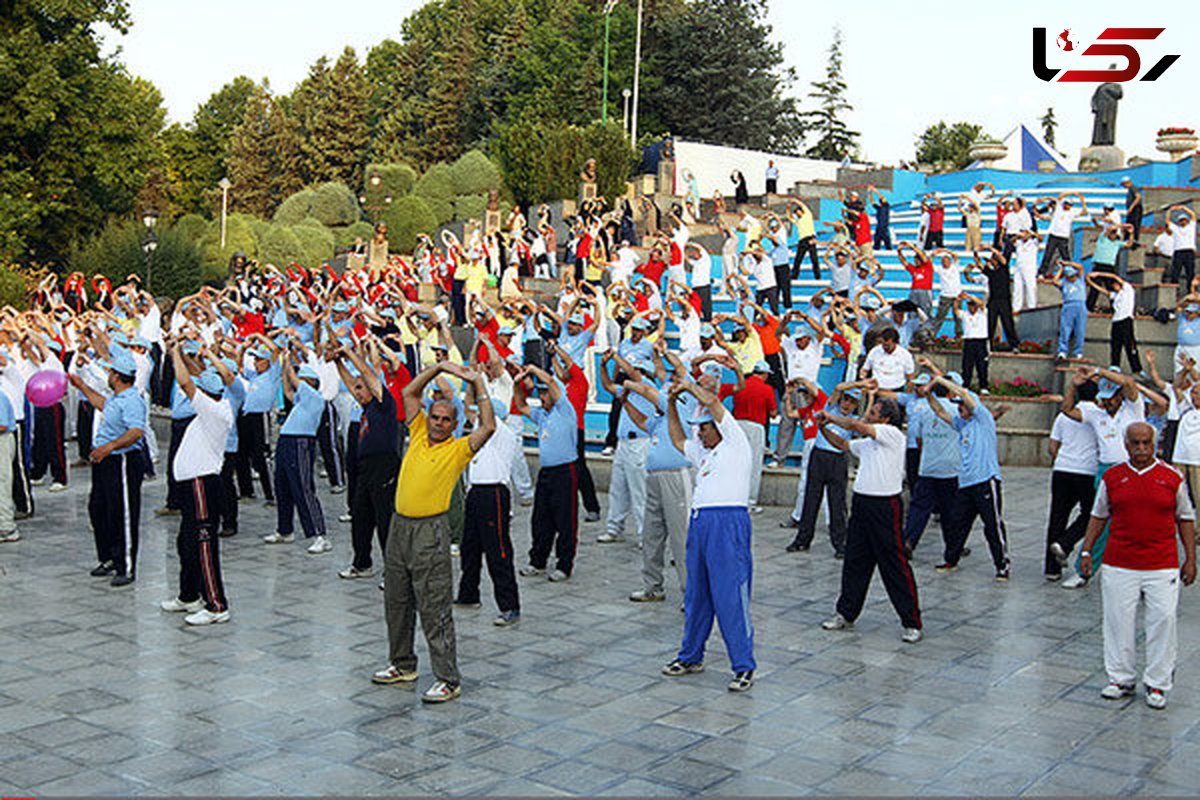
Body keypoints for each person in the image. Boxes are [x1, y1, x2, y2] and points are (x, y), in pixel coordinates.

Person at [372, 361, 495, 703]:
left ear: (454, 425)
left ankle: (447, 678)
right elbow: (409, 392)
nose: (439, 423)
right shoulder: (419, 434)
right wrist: (439, 367)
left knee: (434, 603)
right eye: (435, 417)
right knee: (396, 599)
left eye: (445, 420)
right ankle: (402, 663)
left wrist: (477, 383)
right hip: (399, 528)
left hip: (430, 531)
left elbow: (487, 426)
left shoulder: (457, 450)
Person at [1080, 422, 1195, 710]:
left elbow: (1185, 518)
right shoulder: (1113, 477)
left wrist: (1190, 559)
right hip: (1120, 563)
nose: (1141, 449)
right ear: (1126, 444)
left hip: (1162, 564)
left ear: (1155, 444)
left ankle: (1157, 682)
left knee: (1163, 621)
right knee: (1118, 621)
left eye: (1146, 443)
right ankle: (1120, 678)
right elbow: (1098, 515)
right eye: (1135, 443)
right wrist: (1085, 551)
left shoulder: (1172, 477)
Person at [660, 379, 756, 692]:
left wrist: (687, 387)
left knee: (730, 597)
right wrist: (672, 404)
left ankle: (743, 666)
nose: (698, 433)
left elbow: (714, 404)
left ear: (717, 426)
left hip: (728, 525)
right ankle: (691, 655)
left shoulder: (735, 442)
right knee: (696, 595)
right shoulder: (704, 453)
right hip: (701, 525)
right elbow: (676, 440)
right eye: (698, 428)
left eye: (703, 427)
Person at [819, 397, 923, 643]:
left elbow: (858, 427)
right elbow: (844, 444)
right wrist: (823, 428)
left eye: (874, 411)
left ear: (885, 418)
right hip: (862, 505)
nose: (869, 414)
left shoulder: (892, 434)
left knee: (894, 565)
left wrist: (832, 417)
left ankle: (911, 622)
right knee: (855, 561)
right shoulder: (868, 443)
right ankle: (846, 612)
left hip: (885, 506)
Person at [160, 346, 234, 626]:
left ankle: (216, 604)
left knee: (204, 544)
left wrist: (176, 354)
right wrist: (182, 351)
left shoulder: (213, 411)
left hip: (203, 483)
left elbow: (186, 381)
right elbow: (196, 375)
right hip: (192, 484)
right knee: (186, 541)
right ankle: (188, 594)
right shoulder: (213, 406)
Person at [1057, 366, 1149, 588]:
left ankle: (1144, 575)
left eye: (1111, 398)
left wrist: (1099, 371)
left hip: (1132, 470)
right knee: (1099, 523)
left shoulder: (1133, 409)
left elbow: (1129, 383)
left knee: (1140, 523)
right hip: (1106, 472)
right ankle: (1083, 570)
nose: (1106, 402)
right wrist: (1074, 385)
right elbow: (1067, 409)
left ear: (1119, 396)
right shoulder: (1095, 413)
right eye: (1104, 398)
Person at [67, 349, 147, 586]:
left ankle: (126, 566)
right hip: (104, 461)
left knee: (122, 512)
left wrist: (110, 447)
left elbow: (135, 431)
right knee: (99, 509)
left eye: (112, 372)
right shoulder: (116, 398)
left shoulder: (132, 400)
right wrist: (81, 386)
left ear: (119, 376)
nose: (109, 375)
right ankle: (109, 557)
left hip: (121, 460)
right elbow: (101, 404)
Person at [929, 373, 1012, 580]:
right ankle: (951, 559)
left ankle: (1002, 565)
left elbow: (963, 393)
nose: (959, 408)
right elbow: (940, 411)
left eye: (962, 406)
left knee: (992, 525)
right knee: (957, 523)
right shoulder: (961, 424)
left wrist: (939, 378)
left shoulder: (982, 419)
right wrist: (928, 394)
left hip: (985, 480)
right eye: (958, 406)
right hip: (966, 482)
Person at [623, 370, 692, 603]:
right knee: (652, 533)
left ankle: (690, 592)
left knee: (680, 536)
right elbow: (642, 422)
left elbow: (648, 391)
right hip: (654, 478)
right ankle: (653, 585)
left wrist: (628, 384)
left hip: (675, 477)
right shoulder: (660, 419)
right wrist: (625, 402)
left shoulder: (680, 409)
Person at [333, 344, 399, 581]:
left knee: (384, 520)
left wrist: (350, 353)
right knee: (360, 516)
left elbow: (369, 377)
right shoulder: (366, 408)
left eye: (362, 388)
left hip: (385, 466)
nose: (357, 392)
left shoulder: (384, 404)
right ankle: (362, 563)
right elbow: (352, 383)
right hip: (365, 468)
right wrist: (337, 362)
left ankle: (392, 571)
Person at [456, 398, 521, 626]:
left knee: (498, 550)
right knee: (470, 546)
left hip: (493, 493)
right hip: (475, 492)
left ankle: (509, 605)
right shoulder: (480, 430)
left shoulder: (502, 432)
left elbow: (486, 417)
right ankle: (468, 594)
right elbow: (469, 410)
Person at [515, 363, 579, 581]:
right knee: (540, 518)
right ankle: (537, 561)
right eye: (540, 392)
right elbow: (521, 406)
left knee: (565, 519)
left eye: (544, 392)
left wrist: (533, 370)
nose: (542, 396)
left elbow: (552, 382)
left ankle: (564, 564)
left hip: (564, 472)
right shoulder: (542, 415)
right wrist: (517, 385)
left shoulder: (565, 410)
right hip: (546, 473)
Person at [263, 356, 329, 552]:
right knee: (282, 486)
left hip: (300, 441)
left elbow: (293, 380)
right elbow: (288, 388)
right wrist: (284, 369)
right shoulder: (302, 400)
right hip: (287, 441)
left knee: (303, 487)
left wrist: (286, 360)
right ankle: (285, 530)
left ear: (310, 382)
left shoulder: (315, 397)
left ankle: (318, 534)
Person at [597, 350, 654, 544]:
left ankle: (643, 534)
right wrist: (603, 366)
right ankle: (614, 527)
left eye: (638, 370)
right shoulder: (628, 390)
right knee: (618, 488)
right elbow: (607, 385)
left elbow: (632, 373)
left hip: (640, 443)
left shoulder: (648, 387)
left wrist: (615, 356)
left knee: (639, 492)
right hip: (623, 443)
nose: (633, 372)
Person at [1044, 387, 1099, 581]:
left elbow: (1052, 446)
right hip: (1087, 471)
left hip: (1062, 469)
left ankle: (1052, 569)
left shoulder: (1063, 416)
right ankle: (1065, 543)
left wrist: (1064, 460)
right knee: (1091, 514)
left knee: (1057, 517)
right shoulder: (1098, 416)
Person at [1086, 272, 1141, 375]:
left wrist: (1098, 274)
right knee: (1115, 344)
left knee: (1130, 344)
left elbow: (1116, 277)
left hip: (1126, 320)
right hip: (1116, 321)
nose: (1113, 286)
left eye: (1115, 284)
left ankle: (1136, 368)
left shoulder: (1128, 290)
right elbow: (1101, 290)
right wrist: (1089, 280)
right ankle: (1115, 365)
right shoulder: (1115, 295)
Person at [1165, 205, 1197, 289]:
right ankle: (1174, 290)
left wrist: (1183, 208)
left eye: (1184, 220)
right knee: (1175, 272)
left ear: (1187, 221)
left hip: (1189, 251)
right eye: (1181, 221)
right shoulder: (1175, 228)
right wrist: (1170, 211)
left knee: (1190, 272)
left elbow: (1193, 215)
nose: (1183, 222)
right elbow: (1168, 221)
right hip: (1178, 252)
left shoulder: (1191, 227)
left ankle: (1190, 290)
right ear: (1178, 222)